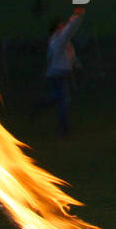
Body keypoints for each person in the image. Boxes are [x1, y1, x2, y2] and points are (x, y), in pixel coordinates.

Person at [42, 8, 83, 136]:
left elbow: (69, 52)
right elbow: (69, 30)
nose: (63, 27)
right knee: (63, 101)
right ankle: (63, 129)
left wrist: (76, 63)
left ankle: (40, 106)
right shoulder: (58, 40)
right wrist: (77, 15)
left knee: (58, 98)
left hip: (58, 73)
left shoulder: (58, 40)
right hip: (59, 74)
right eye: (60, 25)